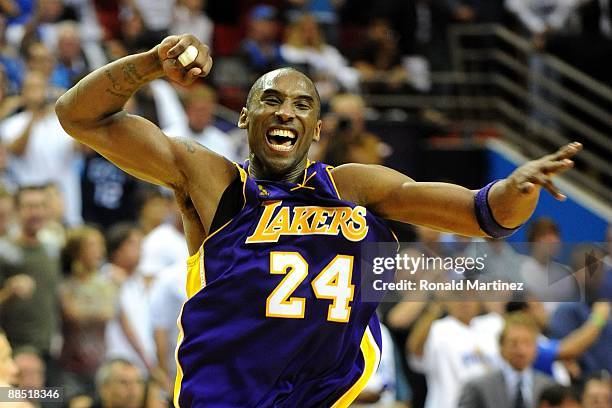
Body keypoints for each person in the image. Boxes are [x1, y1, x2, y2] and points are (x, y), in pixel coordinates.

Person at [55, 33, 581, 406]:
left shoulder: (354, 188)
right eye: (272, 100)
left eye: (302, 104)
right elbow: (77, 116)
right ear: (245, 116)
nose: (286, 111)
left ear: (317, 128)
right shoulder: (212, 180)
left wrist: (518, 187)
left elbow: (483, 214)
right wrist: (150, 64)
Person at [458, 312, 556, 408]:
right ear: (501, 347)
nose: (521, 351)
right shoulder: (478, 388)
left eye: (527, 343)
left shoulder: (550, 387)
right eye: (514, 343)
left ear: (536, 348)